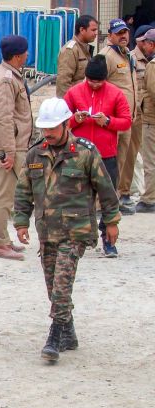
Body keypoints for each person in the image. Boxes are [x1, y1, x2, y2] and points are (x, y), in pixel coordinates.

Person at [13, 98, 120, 362]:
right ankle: (69, 331)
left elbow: (106, 189)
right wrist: (21, 221)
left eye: (52, 128)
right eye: (44, 129)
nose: (47, 134)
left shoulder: (85, 152)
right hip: (47, 231)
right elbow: (24, 190)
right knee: (52, 286)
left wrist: (112, 222)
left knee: (61, 285)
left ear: (65, 124)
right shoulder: (35, 154)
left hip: (77, 230)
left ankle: (55, 334)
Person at [63, 55, 131, 258]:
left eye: (98, 82)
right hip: (79, 154)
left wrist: (108, 121)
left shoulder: (116, 94)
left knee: (109, 199)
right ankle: (77, 239)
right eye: (91, 81)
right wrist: (75, 119)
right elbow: (62, 121)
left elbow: (127, 121)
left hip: (106, 154)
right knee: (77, 197)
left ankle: (108, 241)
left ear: (105, 79)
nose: (94, 85)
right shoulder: (74, 92)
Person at [0, 35, 32, 261]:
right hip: (8, 147)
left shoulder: (10, 75)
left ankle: (3, 239)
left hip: (13, 144)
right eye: (25, 53)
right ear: (17, 56)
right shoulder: (5, 81)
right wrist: (10, 151)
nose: (27, 56)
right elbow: (4, 118)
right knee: (3, 196)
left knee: (9, 195)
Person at [99, 20, 137, 223]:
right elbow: (98, 85)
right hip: (112, 120)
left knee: (121, 161)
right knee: (108, 163)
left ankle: (116, 198)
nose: (123, 35)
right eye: (119, 32)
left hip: (127, 119)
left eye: (125, 32)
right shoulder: (106, 56)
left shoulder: (127, 55)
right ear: (110, 35)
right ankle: (101, 203)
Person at [119, 24, 152, 213]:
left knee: (143, 158)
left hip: (147, 115)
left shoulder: (150, 60)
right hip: (135, 114)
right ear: (141, 42)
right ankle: (124, 192)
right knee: (130, 155)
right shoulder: (131, 59)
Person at [136, 28, 155, 213]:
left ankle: (150, 198)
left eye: (147, 43)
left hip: (151, 119)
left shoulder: (152, 65)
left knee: (150, 161)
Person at [56, 15, 98, 98]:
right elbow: (63, 82)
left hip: (84, 98)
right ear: (82, 30)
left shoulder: (85, 48)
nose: (96, 33)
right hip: (75, 101)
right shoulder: (70, 50)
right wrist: (68, 105)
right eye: (93, 30)